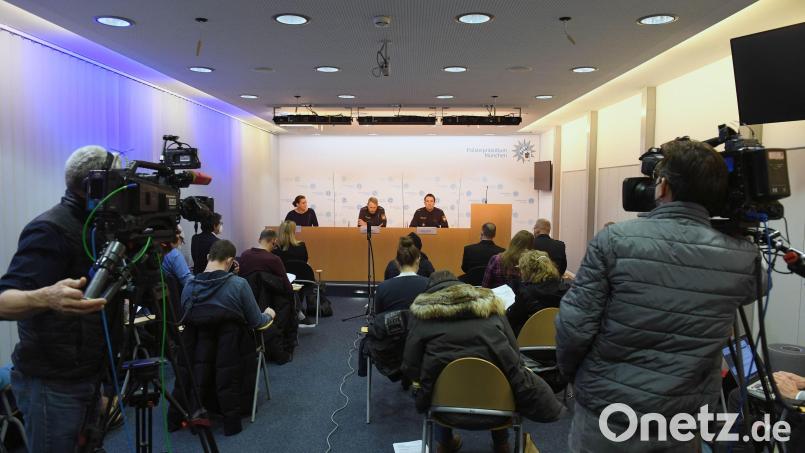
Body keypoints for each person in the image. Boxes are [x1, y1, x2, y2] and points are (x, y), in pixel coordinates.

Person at [555, 138, 761, 452]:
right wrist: (738, 229)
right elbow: (760, 286)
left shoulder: (615, 241)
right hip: (681, 422)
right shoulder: (742, 257)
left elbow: (573, 326)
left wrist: (574, 376)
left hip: (609, 412)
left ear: (662, 187)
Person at [0, 145, 117, 452]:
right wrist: (45, 297)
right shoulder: (49, 229)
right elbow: (3, 300)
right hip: (53, 383)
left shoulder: (97, 229)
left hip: (88, 373)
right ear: (96, 185)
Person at [402, 271, 565, 453]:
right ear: (461, 288)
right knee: (502, 367)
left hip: (443, 410)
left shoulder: (421, 317)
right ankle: (501, 443)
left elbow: (410, 366)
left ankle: (446, 443)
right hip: (500, 409)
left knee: (433, 374)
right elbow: (514, 355)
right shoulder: (492, 309)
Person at [181, 240, 275, 331]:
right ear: (230, 261)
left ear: (208, 257)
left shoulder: (189, 286)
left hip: (197, 345)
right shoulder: (240, 285)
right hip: (231, 345)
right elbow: (257, 322)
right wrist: (269, 314)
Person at [506, 250, 568, 336]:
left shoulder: (525, 293)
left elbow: (512, 319)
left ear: (528, 270)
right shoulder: (566, 290)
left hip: (529, 341)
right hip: (560, 338)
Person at [374, 236, 429, 314]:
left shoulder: (382, 288)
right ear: (418, 259)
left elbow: (378, 319)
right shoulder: (429, 285)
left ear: (396, 262)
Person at [238, 229, 293, 295]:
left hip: (245, 297)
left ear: (259, 240)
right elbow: (287, 287)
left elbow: (240, 277)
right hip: (267, 301)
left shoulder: (244, 254)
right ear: (274, 241)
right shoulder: (274, 259)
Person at [161, 225, 193, 290]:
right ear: (176, 237)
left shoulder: (157, 251)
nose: (180, 244)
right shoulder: (175, 254)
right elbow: (187, 281)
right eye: (181, 241)